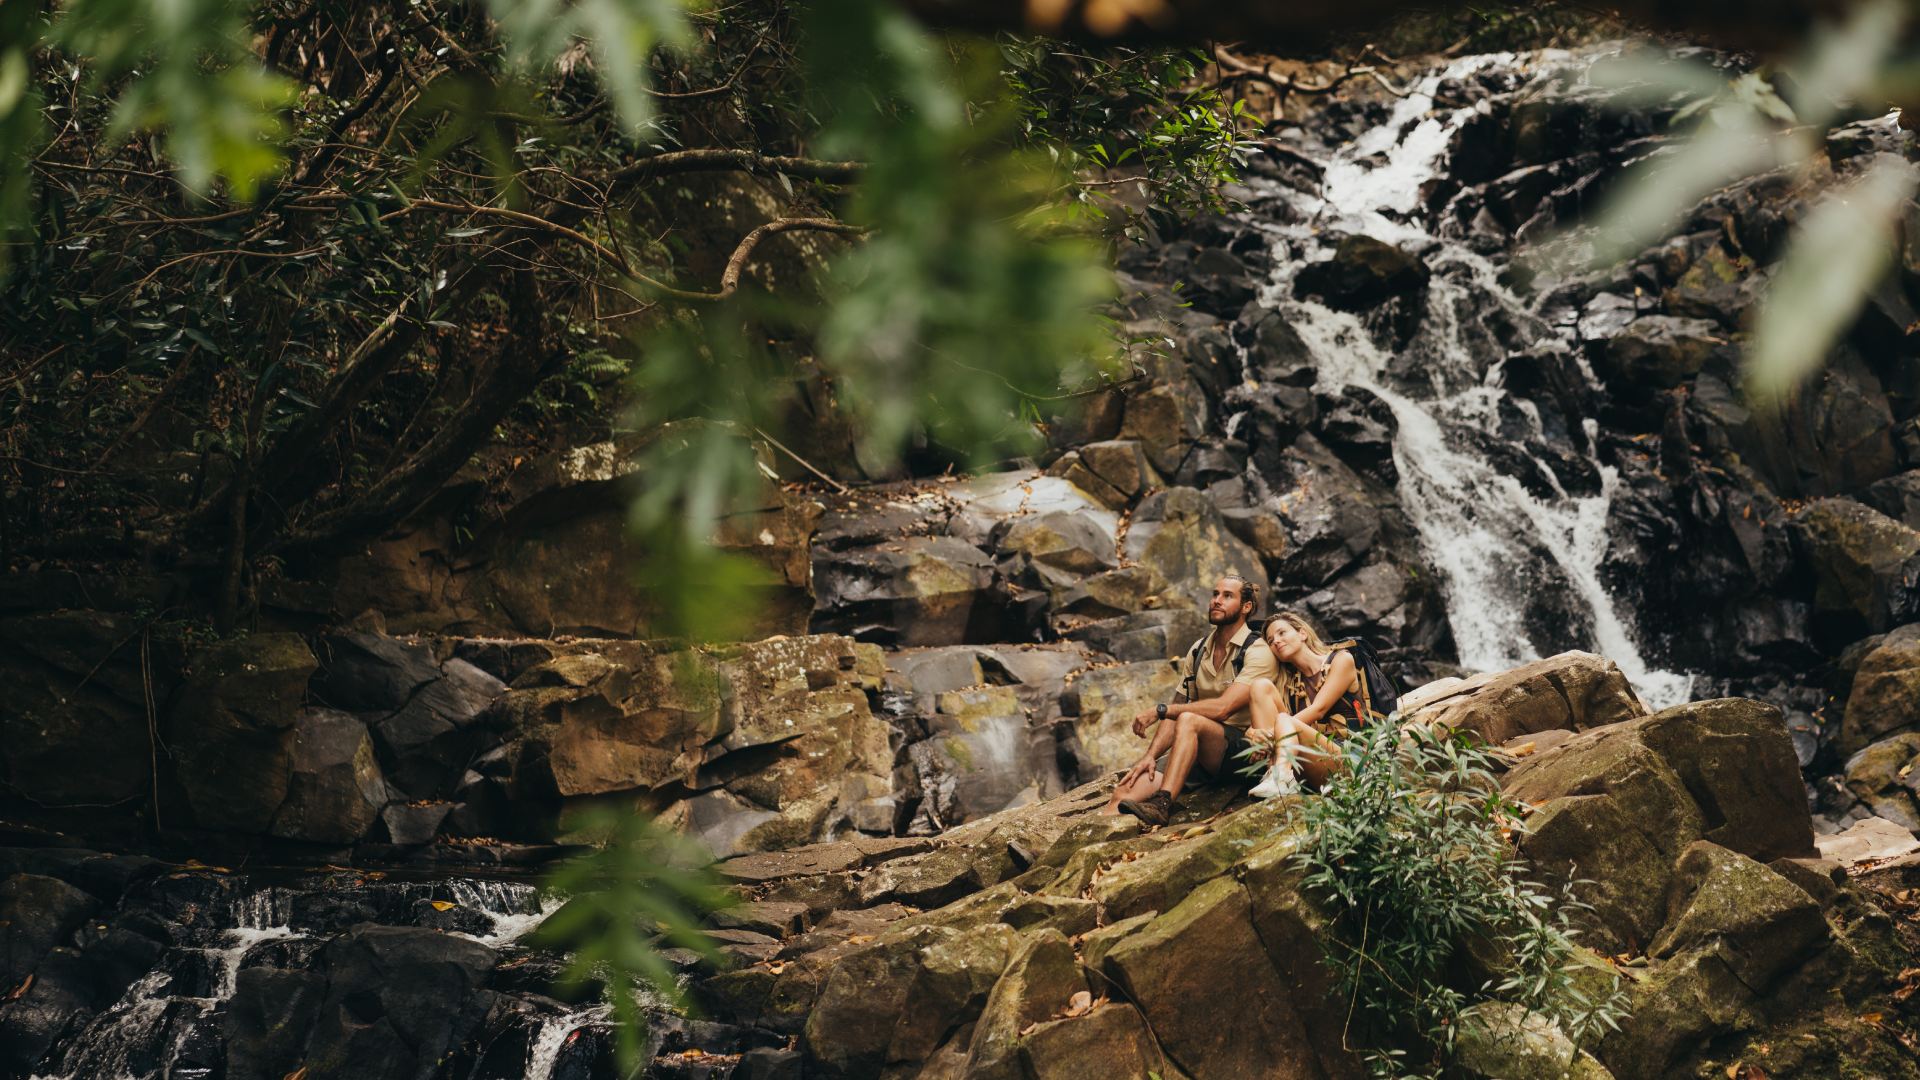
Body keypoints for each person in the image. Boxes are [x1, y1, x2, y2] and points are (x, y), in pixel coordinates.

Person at [1106, 573, 1277, 827]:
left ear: (1246, 607)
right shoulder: (1199, 649)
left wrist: (1161, 710)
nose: (1217, 601)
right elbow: (1180, 705)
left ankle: (1162, 804)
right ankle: (1077, 844)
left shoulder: (1258, 650)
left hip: (1247, 753)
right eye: (1215, 594)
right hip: (1200, 750)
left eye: (1227, 596)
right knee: (1126, 791)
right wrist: (1150, 756)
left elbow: (1222, 708)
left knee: (1189, 719)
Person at [1245, 610, 1369, 794]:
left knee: (1283, 720)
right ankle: (1275, 774)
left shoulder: (1342, 659)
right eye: (1270, 641)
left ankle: (1281, 777)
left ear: (1302, 633)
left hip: (1350, 762)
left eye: (1282, 633)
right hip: (1309, 764)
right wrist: (1253, 734)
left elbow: (1319, 709)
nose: (1276, 641)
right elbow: (1269, 724)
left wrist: (1274, 732)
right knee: (1260, 686)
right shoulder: (1289, 684)